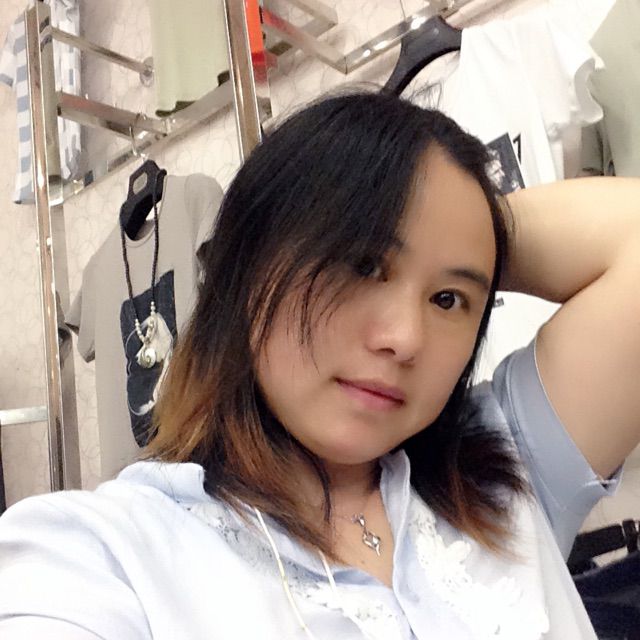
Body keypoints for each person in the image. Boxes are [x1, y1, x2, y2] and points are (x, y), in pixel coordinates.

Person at [0, 91, 639, 639]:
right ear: (249, 270)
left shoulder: (508, 468)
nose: (405, 339)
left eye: (449, 299)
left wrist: (474, 227)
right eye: (361, 264)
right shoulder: (101, 557)